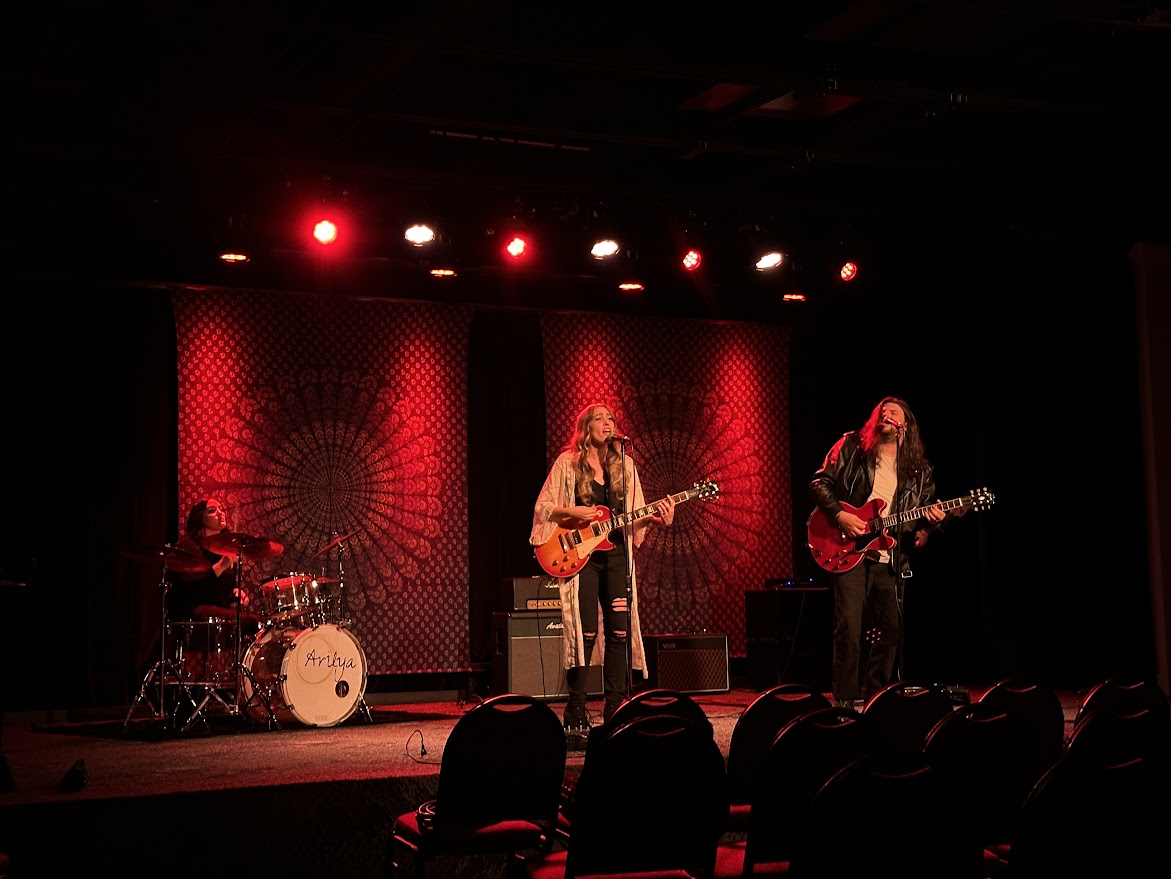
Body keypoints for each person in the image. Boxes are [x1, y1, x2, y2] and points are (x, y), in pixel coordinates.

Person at [530, 403, 674, 738]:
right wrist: (575, 513)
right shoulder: (568, 464)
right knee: (585, 632)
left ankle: (614, 704)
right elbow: (544, 507)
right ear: (585, 428)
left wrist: (658, 517)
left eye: (611, 419)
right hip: (581, 556)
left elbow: (636, 514)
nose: (607, 423)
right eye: (600, 418)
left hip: (616, 554)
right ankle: (576, 703)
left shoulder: (624, 465)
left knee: (619, 630)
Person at [809, 396, 946, 709]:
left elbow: (919, 522)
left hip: (889, 557)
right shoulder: (851, 447)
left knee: (891, 631)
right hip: (849, 549)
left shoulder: (919, 471)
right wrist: (840, 515)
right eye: (881, 412)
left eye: (894, 413)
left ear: (905, 425)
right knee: (848, 627)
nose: (886, 415)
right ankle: (844, 701)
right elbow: (818, 483)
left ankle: (876, 698)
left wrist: (933, 524)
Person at [167, 498, 263, 630]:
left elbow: (219, 589)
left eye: (221, 509)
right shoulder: (190, 545)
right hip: (193, 608)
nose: (220, 513)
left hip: (218, 608)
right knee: (251, 621)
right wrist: (221, 566)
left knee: (261, 622)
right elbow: (192, 588)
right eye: (212, 511)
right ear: (200, 517)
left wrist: (234, 593)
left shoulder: (226, 548)